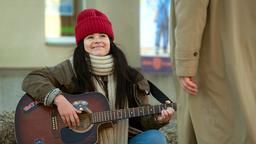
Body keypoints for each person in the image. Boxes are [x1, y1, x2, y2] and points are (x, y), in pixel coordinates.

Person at [22, 8, 174, 144]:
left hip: (123, 138)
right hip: (82, 140)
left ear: (110, 41)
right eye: (90, 37)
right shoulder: (70, 68)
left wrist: (158, 119)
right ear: (82, 44)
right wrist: (60, 100)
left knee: (155, 138)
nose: (97, 41)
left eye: (102, 35)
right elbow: (32, 79)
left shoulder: (129, 75)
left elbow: (141, 120)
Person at [171, 0, 256, 144]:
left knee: (216, 128)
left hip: (211, 61)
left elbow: (191, 7)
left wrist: (185, 63)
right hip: (244, 56)